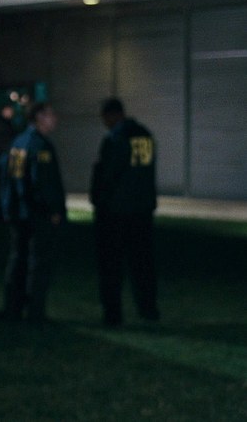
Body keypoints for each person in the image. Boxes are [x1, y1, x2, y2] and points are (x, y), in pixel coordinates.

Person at [90, 97, 159, 327]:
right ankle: (148, 308)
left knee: (112, 264)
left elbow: (108, 175)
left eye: (105, 118)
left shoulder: (115, 139)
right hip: (142, 210)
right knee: (143, 262)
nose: (105, 123)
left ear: (112, 115)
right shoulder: (145, 135)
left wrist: (99, 200)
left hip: (117, 212)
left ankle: (113, 314)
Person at [0, 102, 67, 322]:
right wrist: (52, 210)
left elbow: (6, 177)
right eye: (50, 115)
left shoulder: (19, 141)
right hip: (36, 214)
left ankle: (13, 308)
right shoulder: (40, 145)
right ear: (39, 117)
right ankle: (35, 312)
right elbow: (41, 183)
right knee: (38, 263)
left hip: (18, 212)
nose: (54, 119)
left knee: (18, 259)